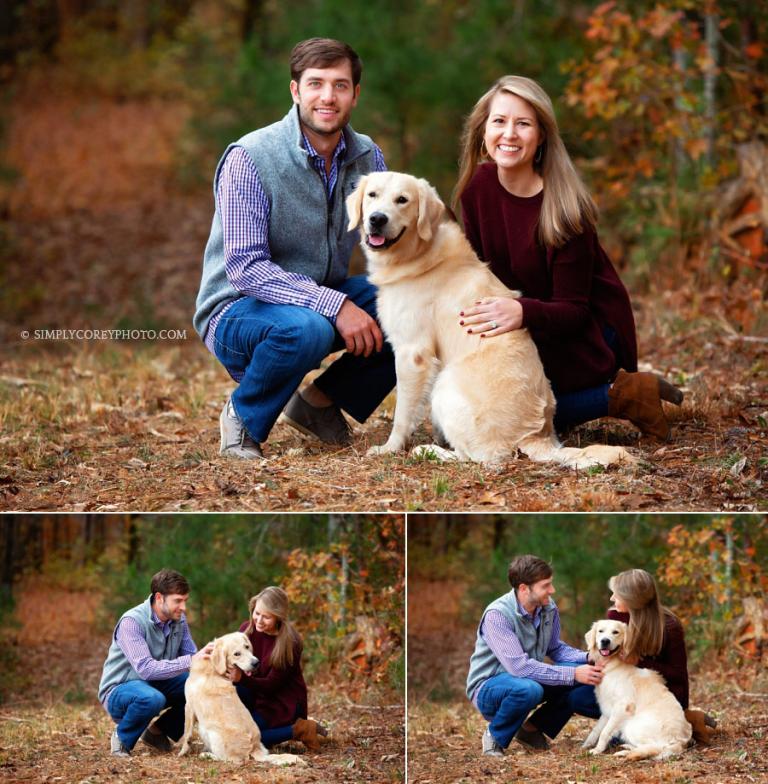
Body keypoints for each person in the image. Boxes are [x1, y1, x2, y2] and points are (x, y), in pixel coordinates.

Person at [193, 37, 395, 459]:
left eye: (340, 85)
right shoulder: (250, 157)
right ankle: (243, 418)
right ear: (295, 91)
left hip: (315, 299)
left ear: (355, 95)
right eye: (316, 83)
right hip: (237, 311)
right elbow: (246, 268)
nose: (327, 96)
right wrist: (336, 306)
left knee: (414, 304)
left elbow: (394, 238)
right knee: (308, 328)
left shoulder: (367, 157)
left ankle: (319, 403)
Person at [453, 75, 683, 440]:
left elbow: (575, 310)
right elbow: (480, 273)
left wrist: (522, 311)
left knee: (518, 418)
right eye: (499, 121)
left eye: (523, 123)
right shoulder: (476, 189)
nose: (509, 134)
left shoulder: (565, 209)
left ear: (541, 135)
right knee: (486, 411)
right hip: (532, 326)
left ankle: (623, 394)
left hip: (586, 333)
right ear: (483, 130)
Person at [559, 568, 716, 745]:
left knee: (621, 738)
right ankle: (534, 729)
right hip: (625, 688)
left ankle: (686, 718)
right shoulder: (616, 615)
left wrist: (639, 661)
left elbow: (678, 674)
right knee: (577, 696)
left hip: (658, 697)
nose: (612, 599)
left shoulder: (670, 627)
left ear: (631, 599)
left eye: (616, 595)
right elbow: (607, 650)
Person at [466, 555, 603, 755]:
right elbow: (519, 667)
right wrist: (572, 674)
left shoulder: (548, 607)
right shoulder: (497, 615)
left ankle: (531, 729)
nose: (552, 590)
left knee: (585, 675)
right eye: (545, 585)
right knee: (530, 689)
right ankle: (494, 736)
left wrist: (589, 658)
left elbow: (555, 648)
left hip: (527, 679)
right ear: (524, 588)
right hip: (489, 686)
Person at [97, 569, 214, 757]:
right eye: (178, 601)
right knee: (151, 698)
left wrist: (214, 662)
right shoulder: (132, 622)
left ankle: (157, 732)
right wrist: (191, 661)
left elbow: (192, 656)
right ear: (159, 598)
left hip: (155, 684)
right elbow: (146, 669)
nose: (183, 607)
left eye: (185, 600)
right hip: (120, 689)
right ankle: (121, 739)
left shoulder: (179, 621)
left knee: (202, 686)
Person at [229, 586, 327, 752]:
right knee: (236, 730)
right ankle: (259, 728)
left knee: (246, 740)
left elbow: (271, 686)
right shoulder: (247, 629)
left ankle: (300, 729)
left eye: (266, 617)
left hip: (281, 702)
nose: (259, 620)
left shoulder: (289, 642)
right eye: (257, 613)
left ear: (278, 617)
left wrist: (242, 678)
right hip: (255, 695)